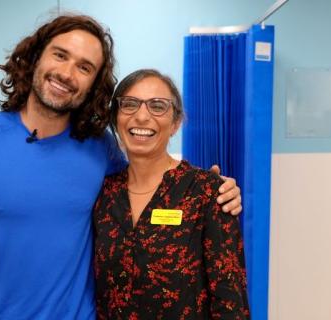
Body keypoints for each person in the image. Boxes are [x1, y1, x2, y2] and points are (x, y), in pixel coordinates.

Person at [0, 15, 242, 320]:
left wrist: (211, 189)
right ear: (36, 57)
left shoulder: (99, 148)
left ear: (93, 84)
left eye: (84, 67)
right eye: (60, 55)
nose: (67, 73)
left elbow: (148, 179)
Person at [94, 69, 249, 319]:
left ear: (176, 123)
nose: (142, 116)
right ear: (115, 118)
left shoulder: (207, 192)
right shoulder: (104, 193)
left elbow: (231, 300)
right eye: (130, 104)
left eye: (157, 106)